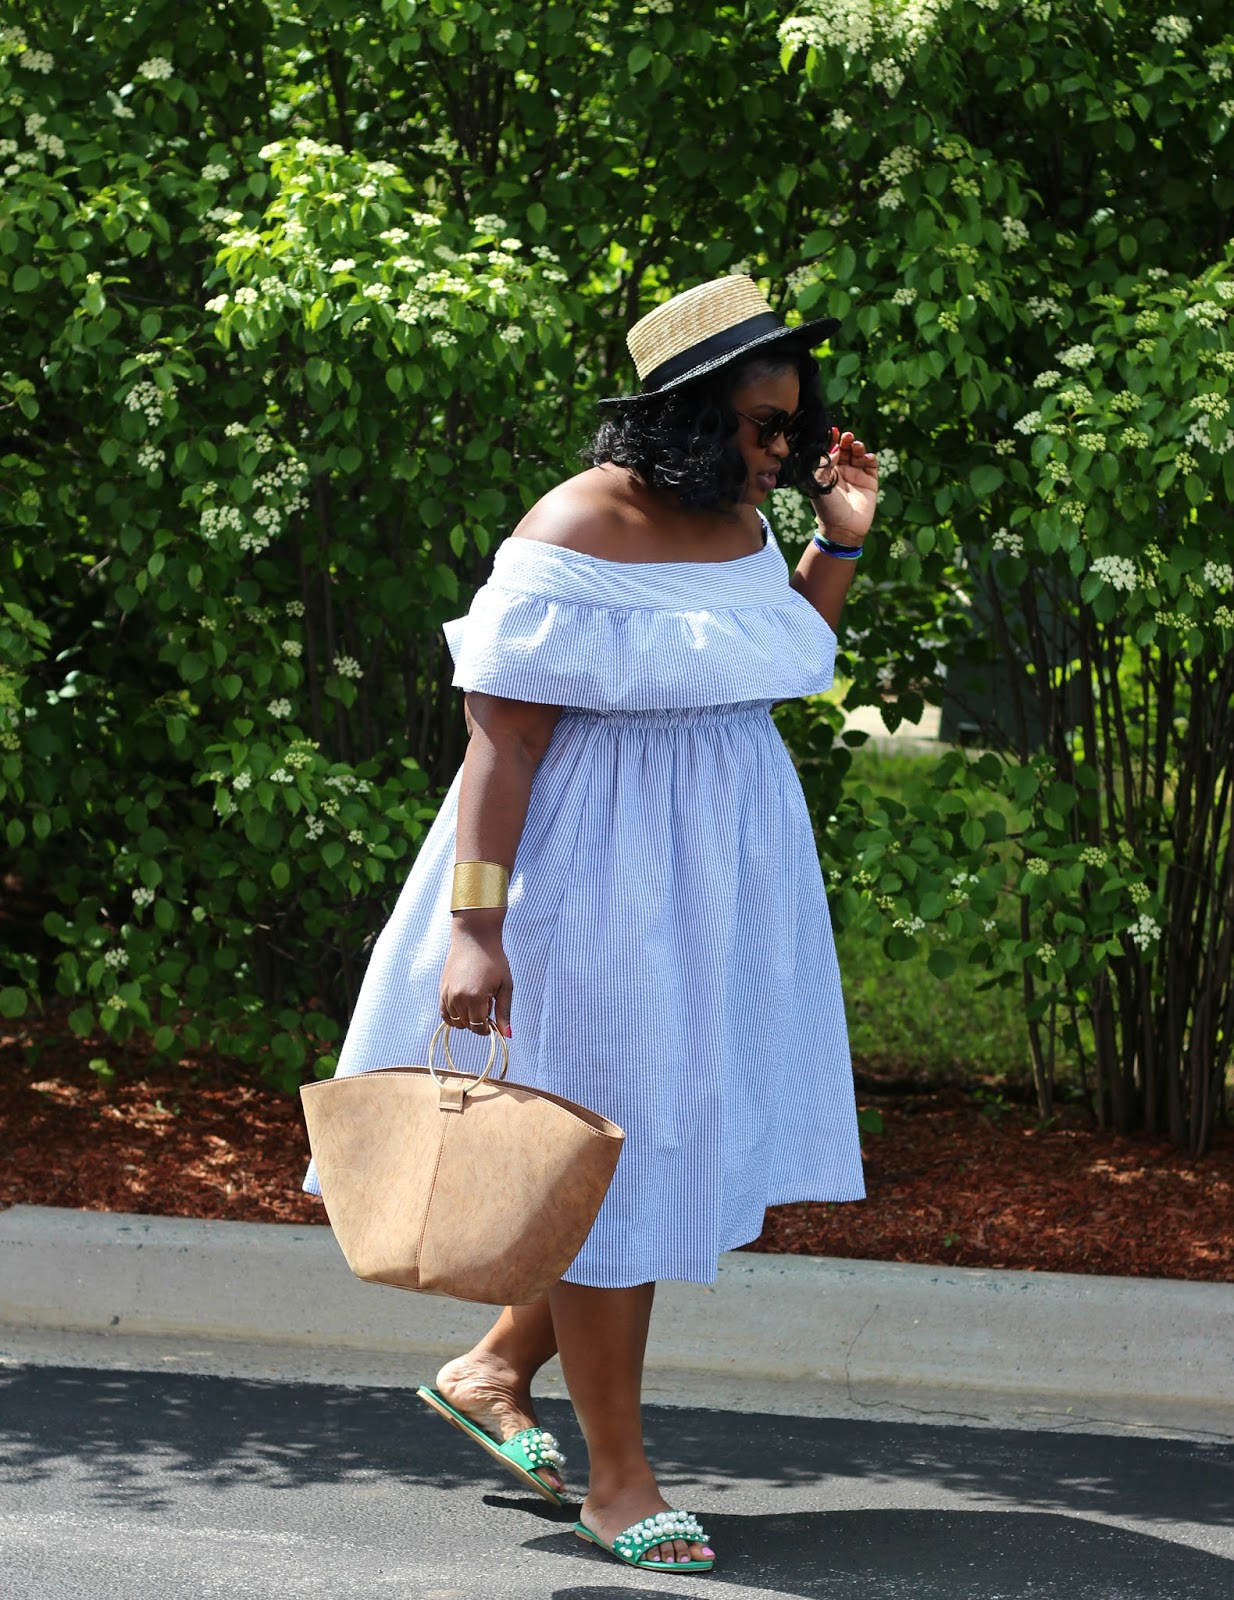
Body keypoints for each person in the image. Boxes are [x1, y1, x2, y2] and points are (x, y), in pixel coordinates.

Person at [304, 273, 878, 1574]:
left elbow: (780, 659)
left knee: (648, 1144)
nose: (777, 450)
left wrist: (835, 540)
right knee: (614, 1147)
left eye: (787, 428)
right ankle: (618, 1480)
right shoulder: (575, 523)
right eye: (758, 425)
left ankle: (495, 1368)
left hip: (716, 870)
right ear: (683, 413)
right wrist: (475, 932)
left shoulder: (735, 529)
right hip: (590, 871)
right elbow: (499, 741)